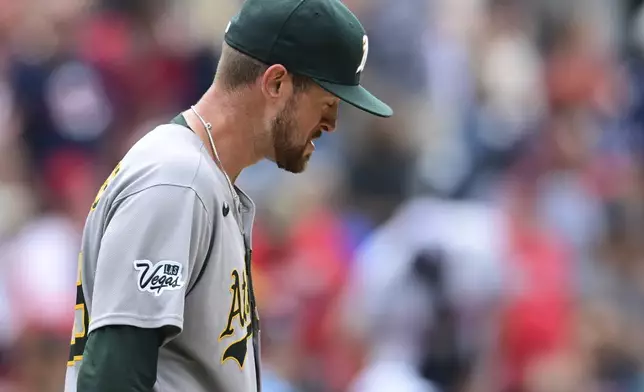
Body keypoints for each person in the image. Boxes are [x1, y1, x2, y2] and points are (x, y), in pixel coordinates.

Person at [63, 0, 392, 391]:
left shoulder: (204, 179)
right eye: (327, 103)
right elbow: (113, 378)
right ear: (275, 84)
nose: (332, 124)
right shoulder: (177, 180)